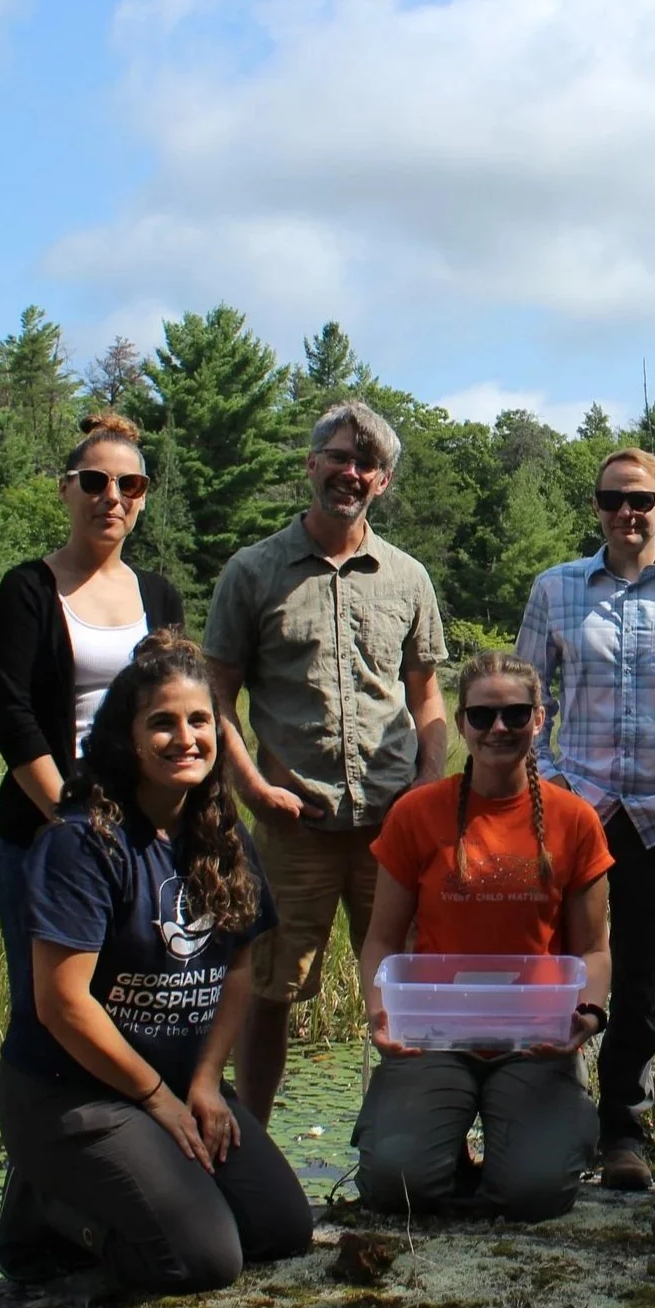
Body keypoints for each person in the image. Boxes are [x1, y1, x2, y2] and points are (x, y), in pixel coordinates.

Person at [0, 630, 312, 1293]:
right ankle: (47, 1208)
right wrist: (155, 1098)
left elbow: (238, 967)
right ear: (127, 738)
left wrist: (204, 1082)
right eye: (162, 723)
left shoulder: (221, 834)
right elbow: (62, 1004)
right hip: (74, 1094)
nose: (185, 738)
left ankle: (137, 1176)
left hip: (177, 1082)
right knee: (202, 1259)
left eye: (200, 721)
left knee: (280, 1229)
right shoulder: (82, 843)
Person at [205, 401, 450, 1128]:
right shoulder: (253, 571)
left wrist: (428, 787)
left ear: (383, 480)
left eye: (366, 463)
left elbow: (426, 694)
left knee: (407, 984)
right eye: (339, 457)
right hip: (294, 825)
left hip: (391, 827)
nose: (351, 472)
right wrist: (252, 787)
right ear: (312, 464)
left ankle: (417, 1140)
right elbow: (215, 695)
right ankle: (250, 1140)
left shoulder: (407, 577)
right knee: (270, 988)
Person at [514, 446, 655, 1191]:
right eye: (613, 499)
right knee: (559, 967)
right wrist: (547, 786)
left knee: (641, 975)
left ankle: (624, 1131)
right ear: (597, 508)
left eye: (640, 500)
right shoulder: (555, 589)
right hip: (574, 811)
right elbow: (526, 698)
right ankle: (556, 1119)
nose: (626, 512)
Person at [353, 650, 614, 1220]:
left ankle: (522, 1150)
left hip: (534, 1037)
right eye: (482, 716)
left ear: (539, 720)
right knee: (396, 1185)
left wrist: (588, 1014)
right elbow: (381, 941)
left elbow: (594, 950)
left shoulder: (575, 820)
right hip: (434, 1035)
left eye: (516, 714)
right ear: (462, 721)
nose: (499, 728)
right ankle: (442, 1153)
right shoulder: (417, 813)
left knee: (535, 1193)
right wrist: (380, 1013)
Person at [0, 412, 185, 988]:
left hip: (143, 836)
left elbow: (178, 710)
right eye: (94, 482)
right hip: (45, 836)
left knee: (134, 1003)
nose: (112, 498)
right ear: (65, 489)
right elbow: (12, 719)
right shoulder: (28, 590)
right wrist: (73, 824)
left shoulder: (159, 595)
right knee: (48, 1009)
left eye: (130, 485)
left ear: (143, 497)